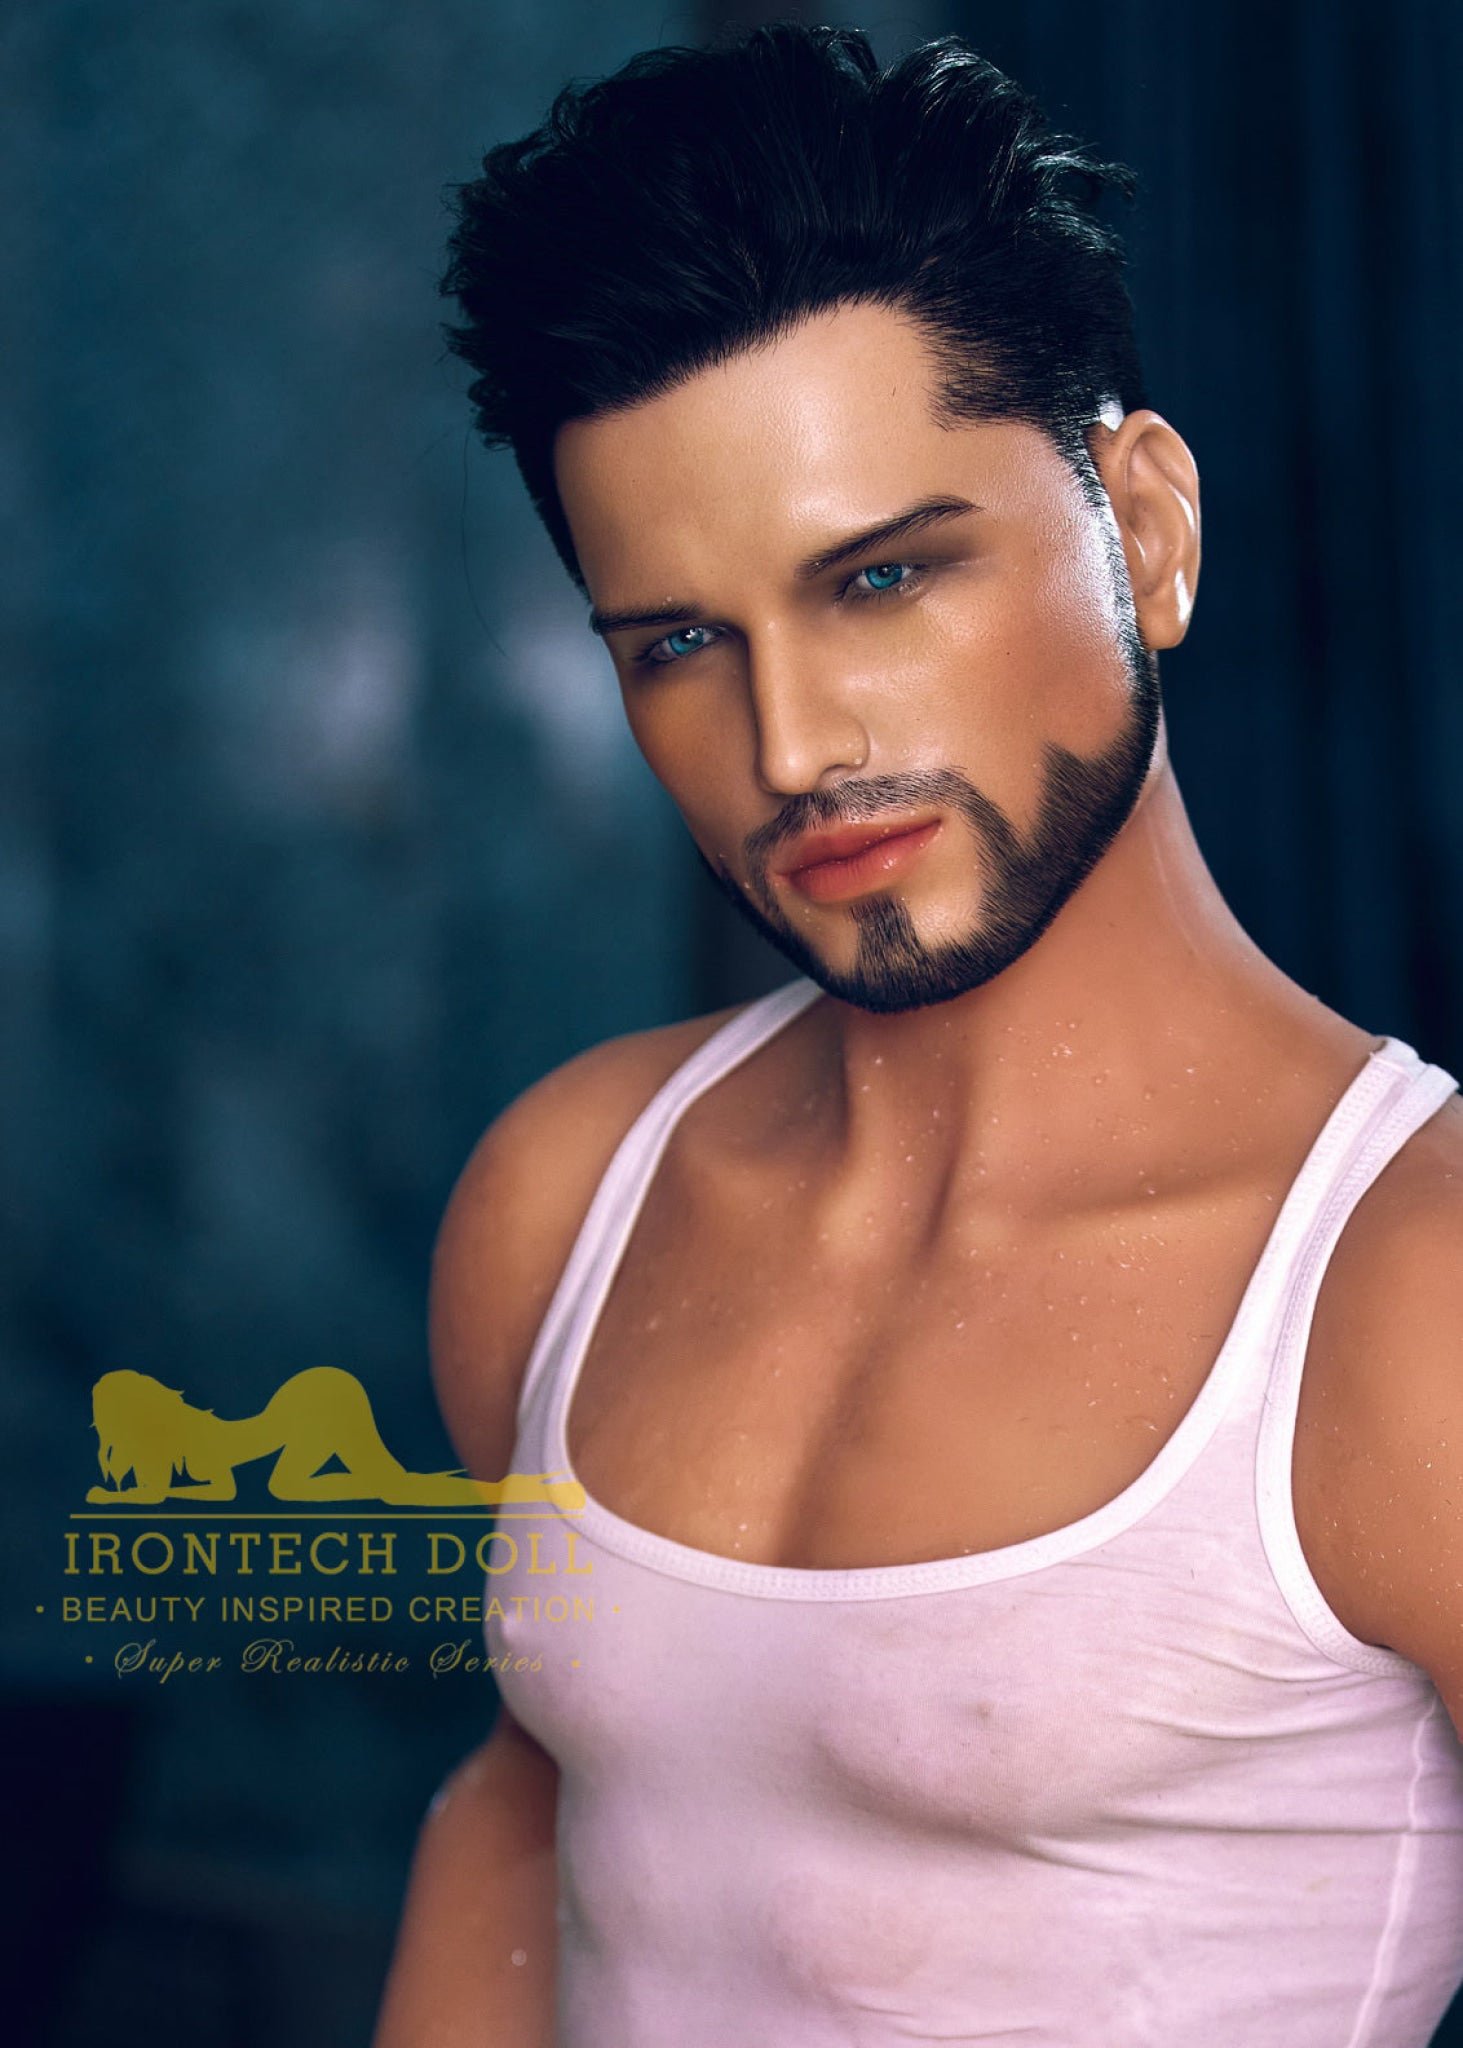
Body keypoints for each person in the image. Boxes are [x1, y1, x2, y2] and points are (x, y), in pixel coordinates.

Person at [373, 22, 1463, 2046]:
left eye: (880, 578)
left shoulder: (1416, 1298)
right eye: (680, 644)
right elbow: (528, 1813)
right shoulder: (570, 1192)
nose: (792, 746)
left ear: (1147, 529)